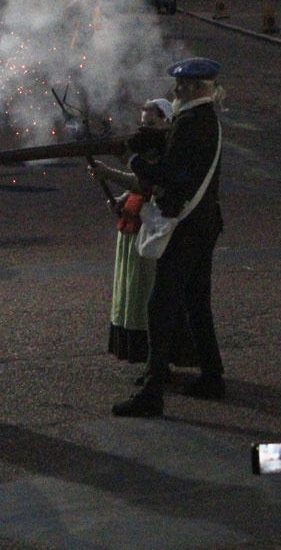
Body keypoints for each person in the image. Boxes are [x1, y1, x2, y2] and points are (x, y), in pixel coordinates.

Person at [112, 58, 225, 417]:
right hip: (203, 224)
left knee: (161, 306)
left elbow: (171, 175)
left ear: (197, 88)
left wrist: (134, 160)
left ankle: (152, 391)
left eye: (183, 85)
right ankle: (212, 374)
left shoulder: (191, 123)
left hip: (185, 228)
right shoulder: (201, 118)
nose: (176, 90)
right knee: (196, 302)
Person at [89, 99, 178, 367]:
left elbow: (145, 182)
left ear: (166, 122)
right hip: (134, 223)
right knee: (130, 290)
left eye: (151, 123)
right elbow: (137, 186)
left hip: (148, 228)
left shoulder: (166, 150)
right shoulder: (154, 147)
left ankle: (151, 357)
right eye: (143, 125)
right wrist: (122, 199)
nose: (146, 129)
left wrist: (109, 173)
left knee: (143, 293)